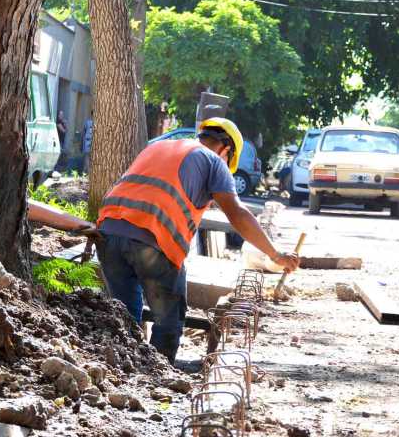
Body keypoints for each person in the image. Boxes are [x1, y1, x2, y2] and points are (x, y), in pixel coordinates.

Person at [95, 117, 300, 362]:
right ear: (226, 150)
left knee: (124, 314)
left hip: (108, 232)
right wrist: (275, 254)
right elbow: (237, 213)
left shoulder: (159, 147)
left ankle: (120, 367)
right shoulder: (214, 161)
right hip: (154, 239)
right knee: (168, 318)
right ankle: (157, 372)